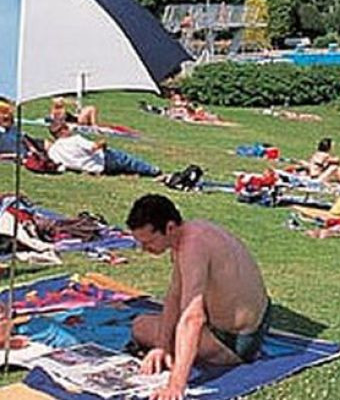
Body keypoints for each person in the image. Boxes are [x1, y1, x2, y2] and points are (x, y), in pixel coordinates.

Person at [128, 195, 269, 400]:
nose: (144, 249)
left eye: (148, 242)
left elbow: (193, 318)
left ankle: (204, 355)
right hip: (258, 325)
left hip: (233, 343)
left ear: (169, 228)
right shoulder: (196, 231)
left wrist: (176, 384)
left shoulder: (191, 247)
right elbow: (175, 294)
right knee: (158, 325)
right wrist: (162, 346)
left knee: (140, 326)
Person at [46, 121, 160, 176]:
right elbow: (93, 147)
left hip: (91, 169)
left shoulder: (53, 150)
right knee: (127, 160)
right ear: (62, 131)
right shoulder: (75, 139)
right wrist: (102, 142)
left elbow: (60, 164)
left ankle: (133, 172)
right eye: (67, 128)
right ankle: (152, 170)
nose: (70, 129)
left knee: (123, 166)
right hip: (102, 161)